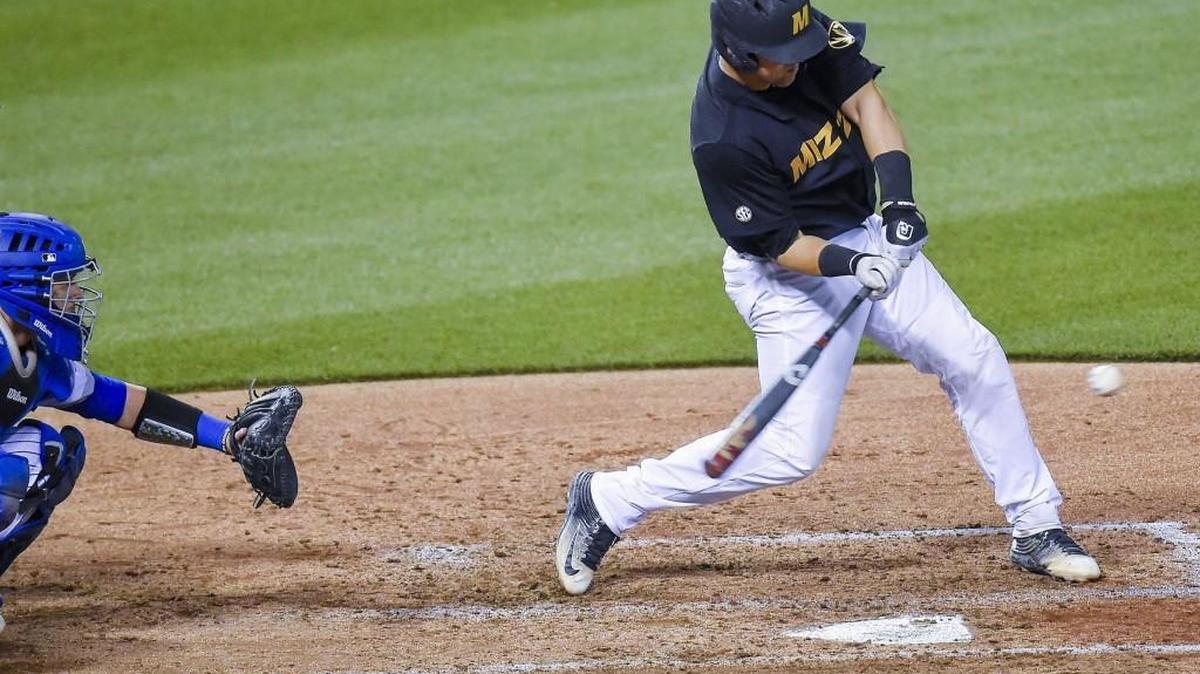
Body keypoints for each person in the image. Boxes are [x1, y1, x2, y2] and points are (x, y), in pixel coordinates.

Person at [554, 0, 1101, 595]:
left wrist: (897, 203)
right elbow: (781, 244)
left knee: (974, 357)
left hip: (862, 237)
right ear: (739, 54)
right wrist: (852, 264)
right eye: (779, 60)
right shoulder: (723, 137)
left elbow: (868, 104)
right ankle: (608, 500)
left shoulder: (802, 39)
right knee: (791, 452)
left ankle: (1036, 524)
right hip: (789, 277)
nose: (796, 64)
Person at [0, 212, 302, 632]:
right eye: (62, 284)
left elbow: (121, 402)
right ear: (21, 285)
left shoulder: (36, 360)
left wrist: (229, 438)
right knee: (15, 473)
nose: (72, 297)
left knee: (49, 459)